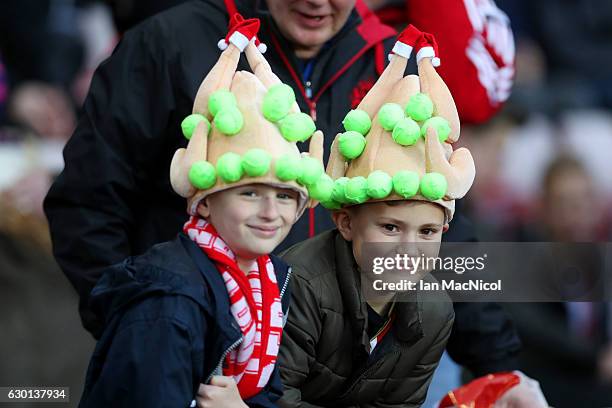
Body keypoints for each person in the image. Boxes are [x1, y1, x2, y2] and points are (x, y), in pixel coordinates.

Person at [78, 20, 325, 406]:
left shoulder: (269, 280)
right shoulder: (170, 300)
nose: (269, 212)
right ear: (204, 201)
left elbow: (266, 395)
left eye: (284, 195)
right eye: (248, 192)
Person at [275, 25, 475, 406]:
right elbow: (274, 399)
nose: (409, 248)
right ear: (346, 222)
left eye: (429, 231)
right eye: (390, 227)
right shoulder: (298, 283)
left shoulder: (435, 310)